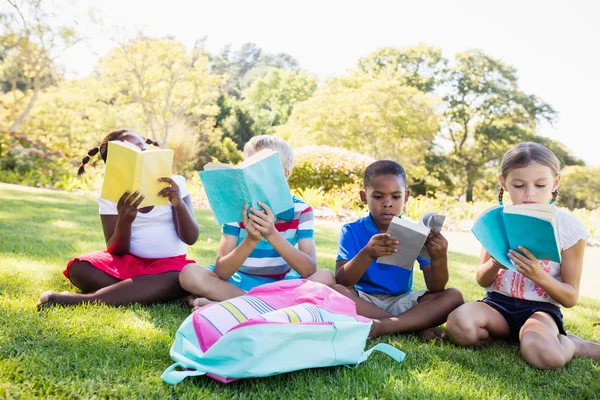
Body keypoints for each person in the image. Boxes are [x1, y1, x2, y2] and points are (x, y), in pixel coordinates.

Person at [446, 142, 600, 369]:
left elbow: (570, 298)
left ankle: (572, 344)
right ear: (503, 183)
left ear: (555, 183)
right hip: (496, 306)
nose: (530, 193)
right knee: (458, 324)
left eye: (540, 184)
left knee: (547, 357)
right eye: (518, 185)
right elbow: (481, 279)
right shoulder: (495, 220)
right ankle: (511, 338)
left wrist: (538, 275)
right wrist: (495, 264)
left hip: (540, 311)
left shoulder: (570, 230)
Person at [37, 129, 200, 308]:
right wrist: (125, 220)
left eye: (142, 149)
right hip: (129, 264)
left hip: (170, 267)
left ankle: (84, 300)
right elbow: (116, 250)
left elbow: (190, 238)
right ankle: (157, 293)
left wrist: (179, 204)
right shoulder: (110, 196)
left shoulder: (175, 183)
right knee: (79, 268)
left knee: (179, 278)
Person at [179, 135, 335, 309]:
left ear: (284, 175)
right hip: (237, 283)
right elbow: (222, 272)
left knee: (325, 276)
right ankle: (264, 306)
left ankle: (235, 304)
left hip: (282, 284)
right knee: (189, 274)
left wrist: (271, 233)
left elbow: (309, 270)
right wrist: (251, 240)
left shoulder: (302, 210)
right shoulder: (236, 209)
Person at [332, 160, 463, 339]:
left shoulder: (414, 232)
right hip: (363, 300)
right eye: (378, 197)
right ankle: (411, 327)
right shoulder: (351, 230)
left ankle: (385, 326)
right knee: (335, 291)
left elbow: (436, 286)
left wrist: (440, 257)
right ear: (364, 197)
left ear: (406, 197)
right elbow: (342, 280)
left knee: (454, 296)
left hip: (401, 301)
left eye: (395, 197)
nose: (387, 203)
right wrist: (367, 253)